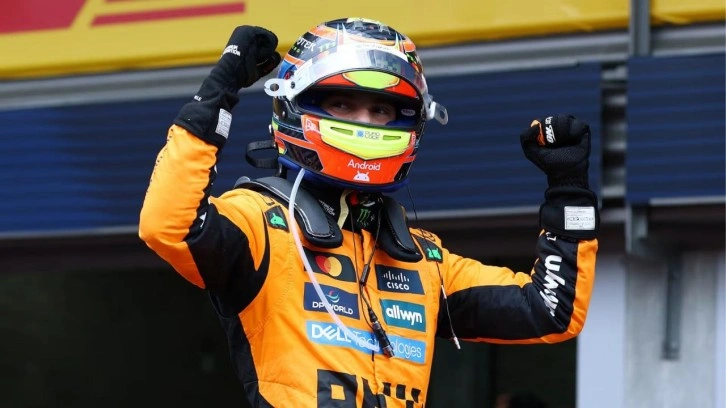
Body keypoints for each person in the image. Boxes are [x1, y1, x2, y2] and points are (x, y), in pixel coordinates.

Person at [139, 17, 599, 408]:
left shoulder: (424, 260)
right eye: (342, 104)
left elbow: (550, 311)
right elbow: (169, 226)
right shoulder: (262, 223)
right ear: (295, 105)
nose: (364, 122)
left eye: (381, 110)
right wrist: (217, 94)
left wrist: (569, 190)